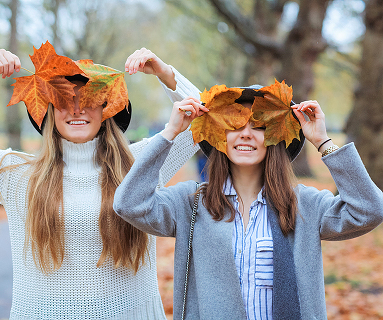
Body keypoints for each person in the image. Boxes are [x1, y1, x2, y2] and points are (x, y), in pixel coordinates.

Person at [0, 47, 201, 319]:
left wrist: (166, 74)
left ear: (106, 109)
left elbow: (206, 120)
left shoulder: (143, 163)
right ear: (49, 111)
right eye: (64, 100)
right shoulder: (18, 174)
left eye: (89, 99)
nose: (77, 109)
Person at [113, 81, 383, 319]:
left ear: (275, 138)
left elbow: (370, 209)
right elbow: (129, 204)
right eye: (234, 125)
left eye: (259, 127)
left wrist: (324, 142)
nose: (245, 134)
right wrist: (170, 134)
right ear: (220, 136)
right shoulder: (192, 203)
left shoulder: (305, 206)